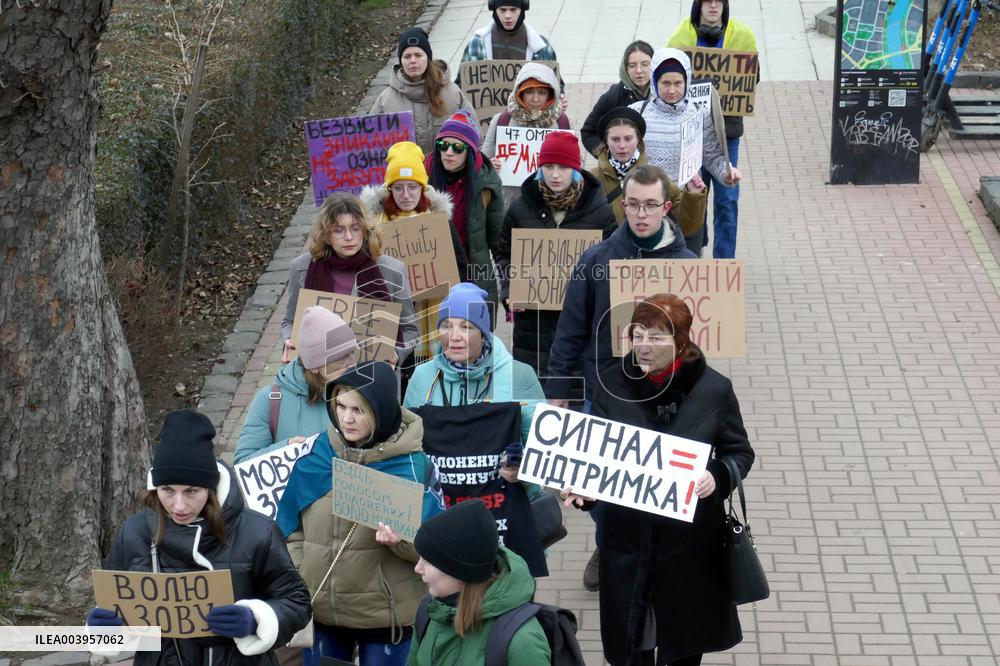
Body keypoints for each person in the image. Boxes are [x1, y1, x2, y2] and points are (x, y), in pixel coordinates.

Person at [562, 294, 755, 666]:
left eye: (655, 337)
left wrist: (716, 477)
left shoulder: (713, 389)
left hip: (688, 548)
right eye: (637, 335)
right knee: (630, 649)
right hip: (627, 546)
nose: (643, 346)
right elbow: (594, 458)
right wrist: (586, 491)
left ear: (680, 342)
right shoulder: (611, 384)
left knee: (683, 645)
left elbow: (739, 452)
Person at [86, 410, 311, 666]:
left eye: (191, 491)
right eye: (167, 490)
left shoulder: (257, 532)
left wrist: (256, 619)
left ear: (210, 488)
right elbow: (114, 608)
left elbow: (297, 603)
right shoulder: (135, 532)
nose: (179, 505)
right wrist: (104, 629)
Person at [276, 361, 445, 666]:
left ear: (380, 412)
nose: (346, 418)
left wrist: (399, 541)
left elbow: (435, 551)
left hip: (386, 620)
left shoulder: (415, 468)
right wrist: (303, 573)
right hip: (321, 614)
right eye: (341, 406)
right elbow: (289, 527)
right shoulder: (317, 455)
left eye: (358, 410)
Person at [403, 283, 549, 576]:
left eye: (467, 327)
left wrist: (522, 468)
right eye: (446, 325)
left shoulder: (519, 376)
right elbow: (407, 446)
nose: (454, 336)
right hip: (442, 524)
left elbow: (544, 448)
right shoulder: (422, 378)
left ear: (484, 332)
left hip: (505, 525)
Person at [495, 130, 616, 381]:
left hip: (579, 322)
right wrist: (509, 289)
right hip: (532, 327)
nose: (555, 175)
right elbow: (504, 252)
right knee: (532, 391)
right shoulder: (520, 207)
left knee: (574, 390)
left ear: (576, 169)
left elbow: (611, 261)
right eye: (548, 166)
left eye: (563, 167)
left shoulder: (599, 211)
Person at [360, 141, 469, 368]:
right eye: (398, 188)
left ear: (422, 189)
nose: (406, 195)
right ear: (389, 190)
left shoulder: (440, 224)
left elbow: (460, 268)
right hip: (395, 322)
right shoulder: (374, 228)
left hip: (436, 316)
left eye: (412, 187)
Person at [281, 192, 418, 370]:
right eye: (338, 230)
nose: (348, 237)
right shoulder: (302, 267)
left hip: (376, 375)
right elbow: (290, 321)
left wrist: (397, 353)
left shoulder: (392, 270)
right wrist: (289, 339)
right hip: (319, 376)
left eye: (355, 228)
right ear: (326, 234)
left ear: (365, 230)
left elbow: (410, 330)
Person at [406, 499, 551, 665]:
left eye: (428, 561)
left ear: (460, 572)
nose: (417, 568)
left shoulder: (522, 642)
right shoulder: (428, 612)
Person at [668, 0, 758, 258]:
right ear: (698, 5)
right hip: (692, 133)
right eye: (707, 1)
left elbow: (751, 79)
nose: (713, 6)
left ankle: (724, 264)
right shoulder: (680, 37)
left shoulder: (743, 36)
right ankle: (692, 257)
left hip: (725, 134)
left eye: (719, 1)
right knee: (694, 198)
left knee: (727, 201)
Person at [630, 48, 740, 255]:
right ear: (654, 82)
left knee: (687, 265)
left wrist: (726, 173)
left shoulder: (699, 114)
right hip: (648, 206)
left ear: (687, 81)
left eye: (678, 83)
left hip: (687, 205)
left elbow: (711, 155)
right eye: (665, 83)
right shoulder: (637, 113)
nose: (672, 90)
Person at [236, 307, 358, 464]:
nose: (352, 364)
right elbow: (243, 463)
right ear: (313, 367)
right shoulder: (270, 400)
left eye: (352, 352)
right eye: (341, 359)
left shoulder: (364, 389)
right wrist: (286, 450)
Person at [425, 110, 505, 317]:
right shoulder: (421, 178)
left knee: (473, 331)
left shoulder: (486, 182)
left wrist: (510, 286)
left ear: (469, 151)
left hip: (473, 273)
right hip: (432, 276)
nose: (449, 152)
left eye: (457, 147)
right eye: (443, 145)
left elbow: (498, 239)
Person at [589, 106, 708, 232]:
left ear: (638, 140)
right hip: (608, 244)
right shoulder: (592, 179)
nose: (622, 145)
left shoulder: (655, 177)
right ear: (606, 141)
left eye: (628, 139)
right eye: (615, 139)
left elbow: (686, 225)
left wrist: (693, 196)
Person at [371, 27, 475, 154]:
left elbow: (475, 138)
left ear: (428, 58)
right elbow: (369, 145)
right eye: (407, 56)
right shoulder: (386, 100)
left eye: (418, 55)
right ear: (401, 61)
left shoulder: (453, 94)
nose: (413, 61)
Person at [481, 62, 571, 209]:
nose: (535, 99)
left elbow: (577, 165)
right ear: (520, 92)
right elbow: (482, 162)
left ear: (550, 94)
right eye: (529, 92)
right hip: (509, 205)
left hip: (550, 205)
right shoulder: (502, 120)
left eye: (542, 92)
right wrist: (491, 165)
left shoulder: (563, 123)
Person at [580, 41, 655, 156]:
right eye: (632, 65)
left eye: (645, 64)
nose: (639, 70)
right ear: (625, 68)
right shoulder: (614, 97)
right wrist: (606, 155)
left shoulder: (664, 94)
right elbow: (588, 131)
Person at [460, 1, 557, 64]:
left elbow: (556, 83)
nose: (507, 15)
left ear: (523, 8)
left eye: (513, 10)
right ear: (494, 9)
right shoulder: (477, 43)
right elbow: (463, 82)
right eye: (502, 10)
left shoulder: (542, 49)